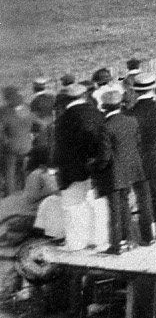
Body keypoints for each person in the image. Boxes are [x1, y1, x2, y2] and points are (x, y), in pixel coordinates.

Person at [99, 85, 154, 252]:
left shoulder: (106, 127)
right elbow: (136, 143)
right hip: (132, 168)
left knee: (115, 209)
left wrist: (96, 166)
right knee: (125, 205)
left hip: (115, 172)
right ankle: (130, 240)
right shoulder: (131, 121)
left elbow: (105, 156)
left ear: (104, 107)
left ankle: (116, 245)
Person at [53, 81, 105, 250]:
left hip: (73, 169)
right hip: (97, 166)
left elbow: (59, 147)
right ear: (83, 96)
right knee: (97, 204)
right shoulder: (98, 113)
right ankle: (98, 238)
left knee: (73, 206)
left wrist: (55, 166)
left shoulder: (64, 119)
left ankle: (76, 242)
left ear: (65, 100)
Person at [127, 73, 156, 242]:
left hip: (139, 161)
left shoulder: (130, 114)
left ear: (136, 92)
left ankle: (147, 237)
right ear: (153, 89)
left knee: (143, 200)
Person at [1, 86, 33, 196]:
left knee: (9, 172)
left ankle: (10, 196)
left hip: (11, 146)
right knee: (24, 169)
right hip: (27, 145)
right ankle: (26, 192)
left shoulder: (4, 111)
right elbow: (31, 124)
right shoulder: (26, 108)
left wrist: (5, 141)